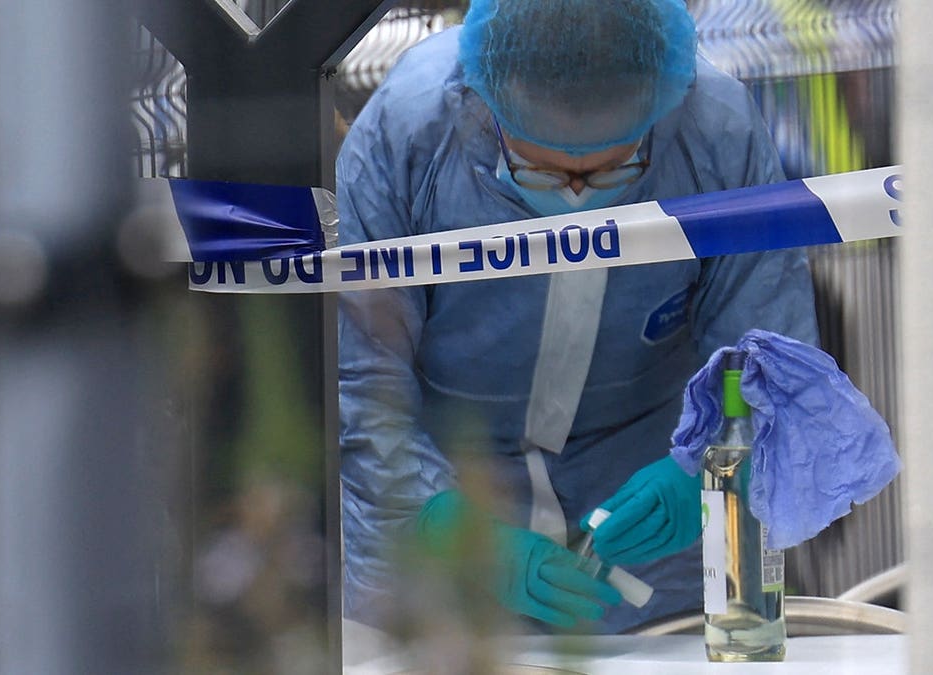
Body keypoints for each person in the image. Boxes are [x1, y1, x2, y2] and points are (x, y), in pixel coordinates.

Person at [337, 0, 819, 634]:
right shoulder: (408, 134)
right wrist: (439, 517)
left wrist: (702, 470)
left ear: (660, 107)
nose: (575, 193)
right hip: (446, 518)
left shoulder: (715, 134)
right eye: (540, 168)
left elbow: (767, 354)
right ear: (485, 104)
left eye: (614, 168)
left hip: (652, 547)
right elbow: (358, 377)